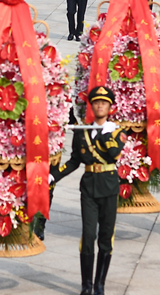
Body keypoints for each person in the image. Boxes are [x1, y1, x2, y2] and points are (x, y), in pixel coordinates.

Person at [58, 86, 124, 295]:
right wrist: (53, 176)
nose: (100, 105)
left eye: (104, 103)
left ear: (110, 107)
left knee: (106, 236)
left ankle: (100, 284)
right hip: (88, 188)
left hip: (108, 186)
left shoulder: (116, 131)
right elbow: (75, 161)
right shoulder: (83, 132)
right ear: (91, 106)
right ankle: (86, 284)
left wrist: (103, 133)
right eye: (96, 102)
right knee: (88, 236)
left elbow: (113, 153)